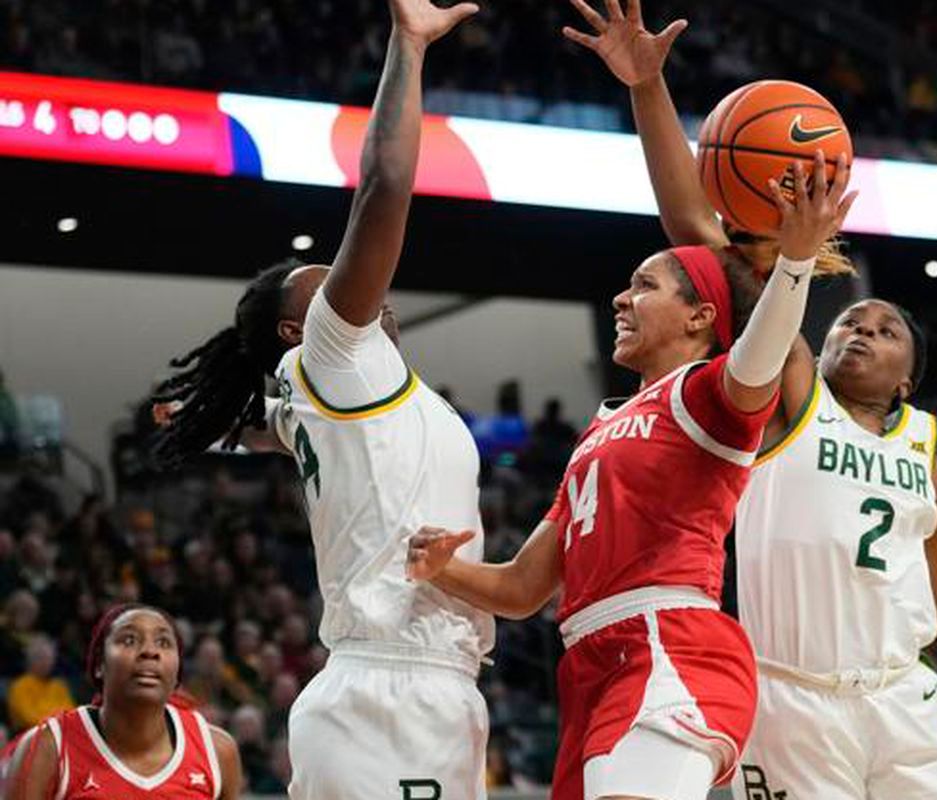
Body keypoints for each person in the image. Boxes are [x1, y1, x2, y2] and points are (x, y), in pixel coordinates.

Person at [563, 1, 937, 797]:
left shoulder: (922, 446)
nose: (860, 332)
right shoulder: (790, 392)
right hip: (795, 697)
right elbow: (699, 231)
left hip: (905, 699)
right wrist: (649, 91)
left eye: (884, 330)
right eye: (852, 322)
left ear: (909, 377)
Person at [407, 136, 856, 799]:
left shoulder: (708, 394)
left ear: (700, 316)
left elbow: (760, 354)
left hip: (669, 642)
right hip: (590, 665)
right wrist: (444, 570)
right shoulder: (600, 432)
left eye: (644, 286)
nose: (621, 299)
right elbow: (526, 587)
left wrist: (791, 262)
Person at [147, 0, 492, 797]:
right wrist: (408, 47)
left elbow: (266, 430)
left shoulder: (337, 399)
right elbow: (385, 183)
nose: (360, 293)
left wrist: (208, 426)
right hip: (388, 686)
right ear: (302, 330)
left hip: (433, 683)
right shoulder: (335, 357)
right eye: (329, 292)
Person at [4, 604, 242, 799]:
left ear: (177, 671)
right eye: (129, 640)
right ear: (99, 664)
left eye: (163, 642)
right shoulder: (48, 748)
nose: (150, 651)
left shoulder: (218, 751)